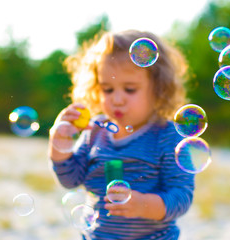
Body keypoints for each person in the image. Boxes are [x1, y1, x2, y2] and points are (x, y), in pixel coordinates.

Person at [48, 29, 194, 240]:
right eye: (108, 89)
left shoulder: (167, 135)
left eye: (130, 89)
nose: (117, 99)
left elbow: (181, 197)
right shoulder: (95, 129)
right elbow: (70, 179)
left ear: (159, 88)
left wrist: (142, 205)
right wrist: (60, 145)